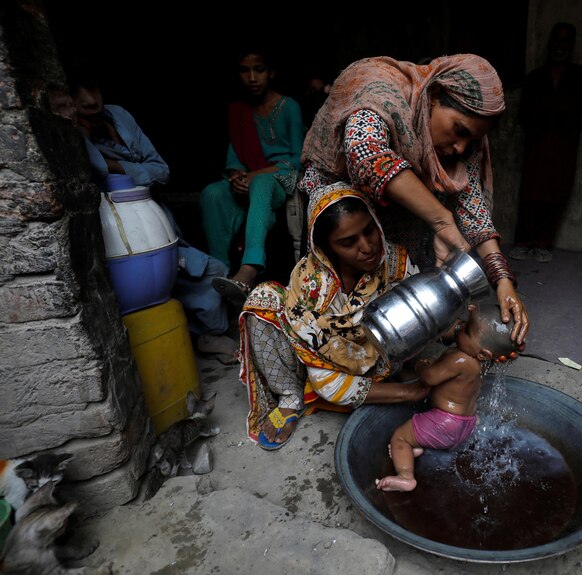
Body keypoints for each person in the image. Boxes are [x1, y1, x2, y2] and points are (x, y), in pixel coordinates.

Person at [299, 54, 529, 345]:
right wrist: (441, 219)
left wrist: (503, 281)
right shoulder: (383, 90)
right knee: (337, 294)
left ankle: (395, 339)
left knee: (399, 285)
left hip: (398, 211)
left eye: (471, 140)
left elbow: (473, 208)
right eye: (459, 131)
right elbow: (365, 153)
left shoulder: (465, 145)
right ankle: (335, 347)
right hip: (340, 199)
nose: (461, 147)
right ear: (433, 97)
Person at [238, 182, 431, 450]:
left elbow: (424, 311)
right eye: (348, 242)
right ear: (325, 248)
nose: (367, 247)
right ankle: (290, 398)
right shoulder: (312, 286)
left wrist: (454, 327)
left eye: (369, 230)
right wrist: (412, 392)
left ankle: (386, 382)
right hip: (318, 365)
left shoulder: (394, 261)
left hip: (382, 358)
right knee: (262, 298)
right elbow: (325, 383)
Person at [70, 71, 237, 362]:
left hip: (153, 218)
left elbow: (162, 171)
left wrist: (117, 166)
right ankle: (190, 337)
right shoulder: (72, 132)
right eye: (78, 92)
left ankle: (206, 335)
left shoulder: (118, 116)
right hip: (117, 227)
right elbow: (97, 169)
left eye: (92, 87)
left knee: (211, 270)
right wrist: (122, 166)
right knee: (149, 286)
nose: (89, 99)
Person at [375, 302, 519, 492]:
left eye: (467, 331)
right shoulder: (484, 363)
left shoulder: (460, 359)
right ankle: (418, 448)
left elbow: (429, 378)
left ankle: (405, 476)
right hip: (466, 425)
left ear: (483, 353)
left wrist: (422, 367)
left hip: (444, 423)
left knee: (400, 438)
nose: (460, 330)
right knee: (418, 438)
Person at [202, 47, 305, 304]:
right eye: (244, 71)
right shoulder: (238, 111)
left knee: (260, 181)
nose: (252, 77)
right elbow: (234, 158)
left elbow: (297, 159)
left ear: (271, 73)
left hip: (281, 180)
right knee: (212, 193)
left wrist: (254, 175)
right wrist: (237, 176)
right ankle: (221, 270)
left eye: (258, 70)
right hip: (251, 180)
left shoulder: (289, 107)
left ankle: (250, 266)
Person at [510, 22, 582, 264]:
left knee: (556, 193)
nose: (560, 46)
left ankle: (544, 243)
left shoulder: (579, 75)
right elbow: (523, 114)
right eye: (556, 40)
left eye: (566, 41)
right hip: (537, 144)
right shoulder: (536, 77)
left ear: (572, 46)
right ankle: (524, 241)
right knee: (531, 194)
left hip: (565, 145)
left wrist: (567, 130)